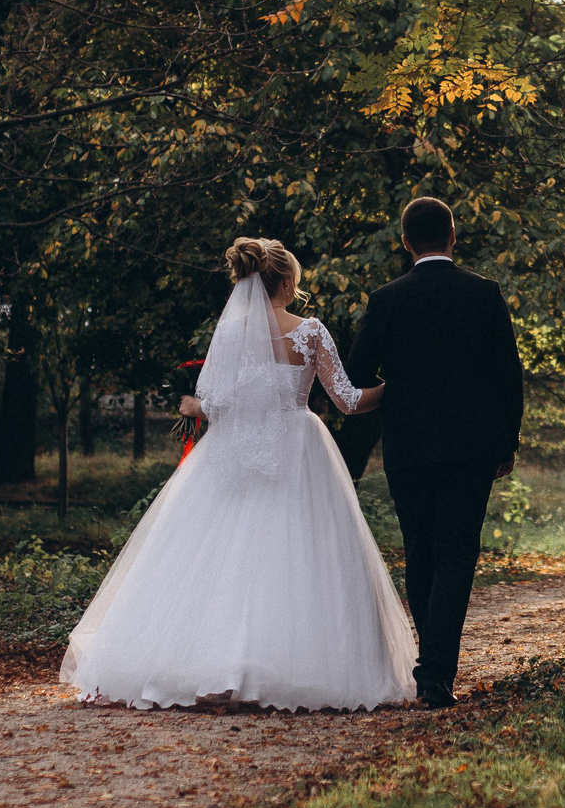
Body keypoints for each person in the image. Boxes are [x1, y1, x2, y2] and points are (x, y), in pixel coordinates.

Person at [59, 238, 417, 710]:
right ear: (288, 282)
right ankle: (292, 666)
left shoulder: (231, 333)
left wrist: (196, 406)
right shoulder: (310, 332)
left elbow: (222, 404)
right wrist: (397, 387)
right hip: (298, 451)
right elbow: (349, 402)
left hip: (235, 454)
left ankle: (208, 664)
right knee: (296, 554)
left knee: (221, 556)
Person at [345, 197, 525, 708]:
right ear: (453, 235)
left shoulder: (386, 300)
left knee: (420, 550)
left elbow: (357, 376)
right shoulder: (484, 294)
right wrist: (506, 443)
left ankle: (431, 663)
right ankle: (436, 672)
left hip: (409, 446)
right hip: (472, 448)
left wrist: (401, 391)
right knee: (457, 555)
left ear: (405, 242)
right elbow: (508, 375)